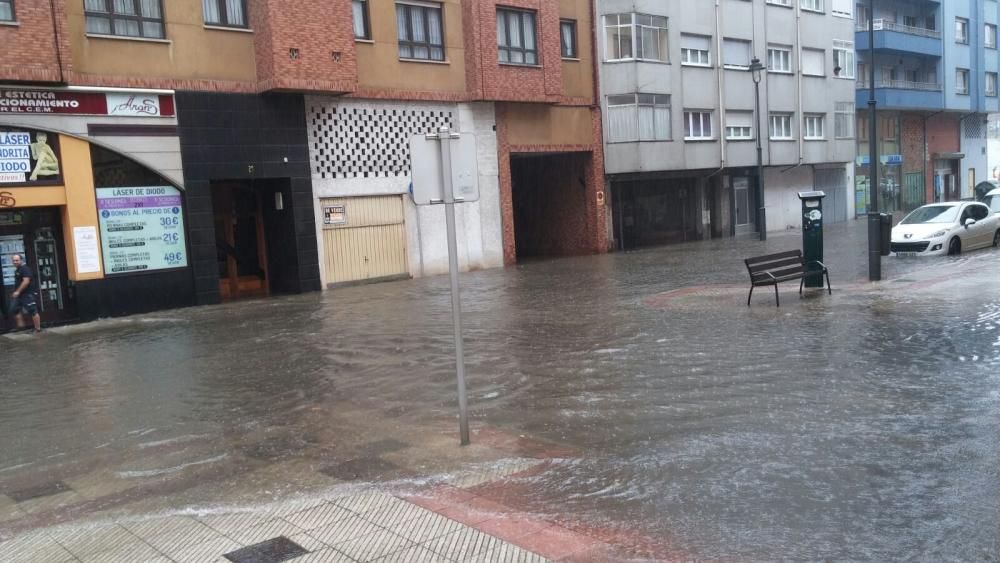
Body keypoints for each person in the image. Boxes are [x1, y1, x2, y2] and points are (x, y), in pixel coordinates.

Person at [10, 254, 41, 333]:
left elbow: (26, 281)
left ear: (21, 260)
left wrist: (18, 291)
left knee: (33, 310)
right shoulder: (17, 270)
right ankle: (21, 326)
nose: (15, 262)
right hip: (20, 295)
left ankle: (37, 329)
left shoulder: (25, 269)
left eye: (17, 260)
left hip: (28, 294)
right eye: (13, 260)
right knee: (14, 308)